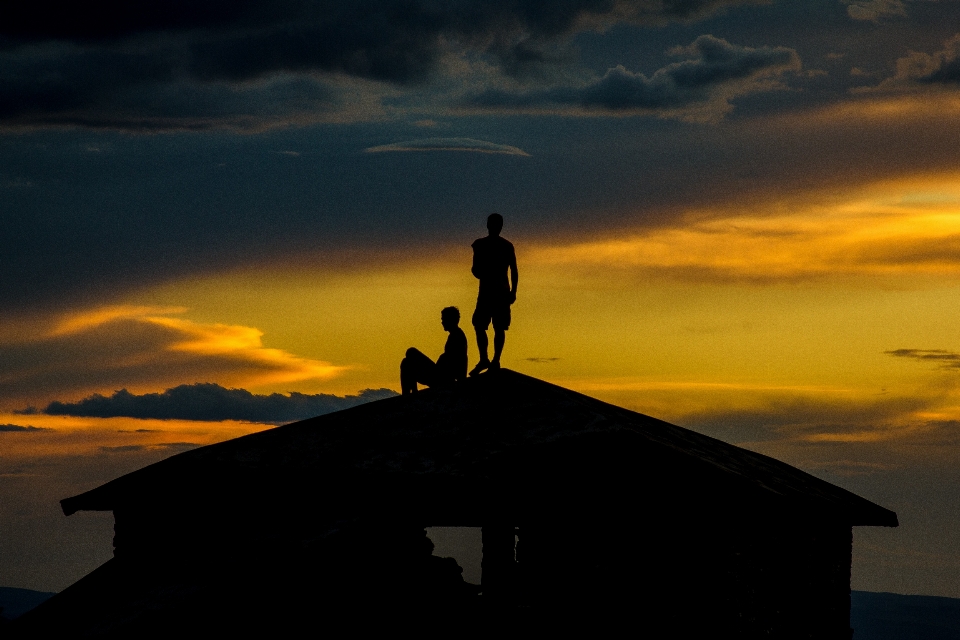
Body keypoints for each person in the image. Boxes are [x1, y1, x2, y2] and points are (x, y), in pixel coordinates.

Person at [469, 213, 518, 376]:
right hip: (492, 292)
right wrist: (512, 291)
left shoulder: (503, 246)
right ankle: (487, 359)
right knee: (481, 325)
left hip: (497, 292)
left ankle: (494, 359)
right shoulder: (482, 245)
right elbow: (476, 269)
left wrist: (513, 292)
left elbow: (514, 270)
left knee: (497, 327)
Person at [400, 306, 468, 394]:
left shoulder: (458, 336)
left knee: (410, 352)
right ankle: (411, 392)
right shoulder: (455, 335)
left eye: (444, 319)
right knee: (406, 363)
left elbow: (458, 363)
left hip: (441, 378)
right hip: (439, 374)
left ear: (451, 320)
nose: (442, 322)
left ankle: (409, 394)